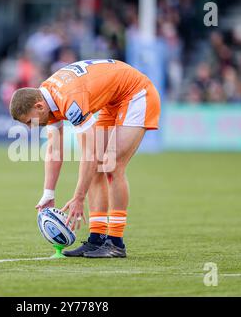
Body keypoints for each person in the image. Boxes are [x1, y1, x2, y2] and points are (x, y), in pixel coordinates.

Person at [9, 59, 161, 258]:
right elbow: (54, 149)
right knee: (98, 167)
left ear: (38, 106)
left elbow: (91, 152)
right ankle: (96, 239)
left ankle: (116, 243)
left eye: (30, 121)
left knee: (111, 165)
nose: (31, 127)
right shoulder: (46, 100)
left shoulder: (68, 99)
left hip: (136, 93)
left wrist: (79, 197)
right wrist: (48, 192)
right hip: (112, 100)